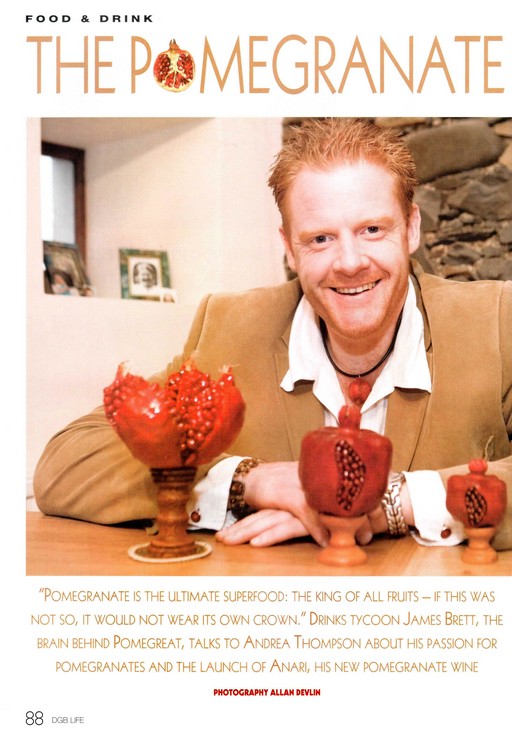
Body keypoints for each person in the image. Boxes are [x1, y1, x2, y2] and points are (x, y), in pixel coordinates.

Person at [33, 118, 512, 551]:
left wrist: (386, 502)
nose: (349, 262)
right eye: (320, 238)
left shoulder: (496, 320)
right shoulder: (229, 327)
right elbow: (65, 463)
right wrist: (247, 482)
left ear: (411, 229)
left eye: (371, 229)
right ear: (289, 248)